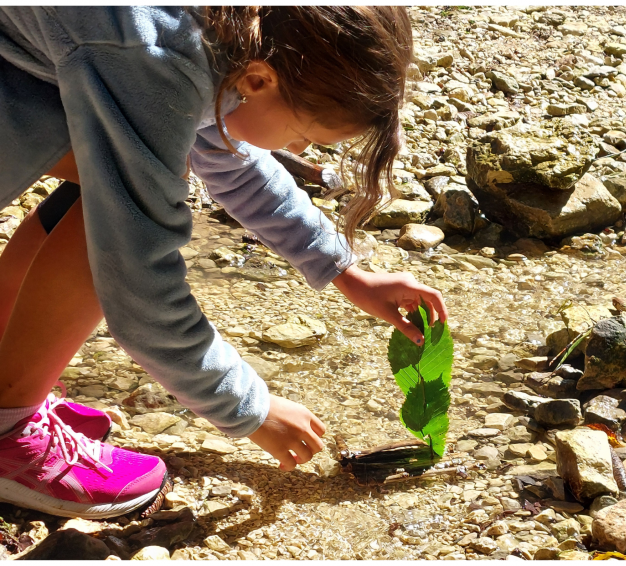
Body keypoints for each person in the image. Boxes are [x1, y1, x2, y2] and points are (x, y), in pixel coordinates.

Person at [0, 7, 447, 519]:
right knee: (129, 198)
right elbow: (141, 290)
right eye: (304, 136)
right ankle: (7, 429)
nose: (298, 149)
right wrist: (250, 408)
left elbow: (229, 159)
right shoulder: (154, 58)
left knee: (127, 170)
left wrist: (346, 272)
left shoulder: (221, 33)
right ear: (259, 80)